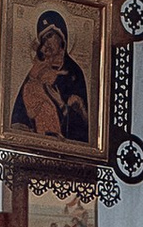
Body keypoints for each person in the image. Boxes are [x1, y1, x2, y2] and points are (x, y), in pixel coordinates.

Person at [10, 7, 93, 143]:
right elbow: (20, 116)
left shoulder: (74, 73)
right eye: (43, 40)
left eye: (49, 36)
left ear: (61, 37)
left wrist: (67, 106)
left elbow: (84, 125)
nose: (46, 44)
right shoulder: (36, 72)